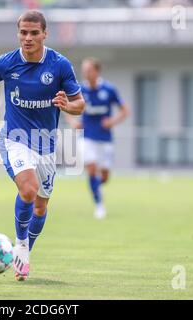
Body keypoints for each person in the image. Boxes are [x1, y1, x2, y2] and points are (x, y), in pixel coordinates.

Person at [0, 10, 85, 281]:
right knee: (28, 189)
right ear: (18, 34)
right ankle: (20, 243)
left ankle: (24, 252)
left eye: (34, 33)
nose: (28, 38)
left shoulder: (59, 65)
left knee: (40, 207)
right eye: (23, 32)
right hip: (15, 140)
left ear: (44, 34)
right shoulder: (6, 63)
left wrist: (66, 106)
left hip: (46, 145)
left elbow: (80, 103)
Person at [67, 58, 129, 219]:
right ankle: (99, 205)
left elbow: (124, 110)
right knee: (92, 169)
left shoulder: (109, 89)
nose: (85, 73)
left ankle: (95, 186)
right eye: (84, 70)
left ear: (97, 71)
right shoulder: (80, 90)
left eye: (89, 70)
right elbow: (66, 106)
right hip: (87, 137)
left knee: (104, 176)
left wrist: (112, 121)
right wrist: (73, 122)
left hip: (105, 138)